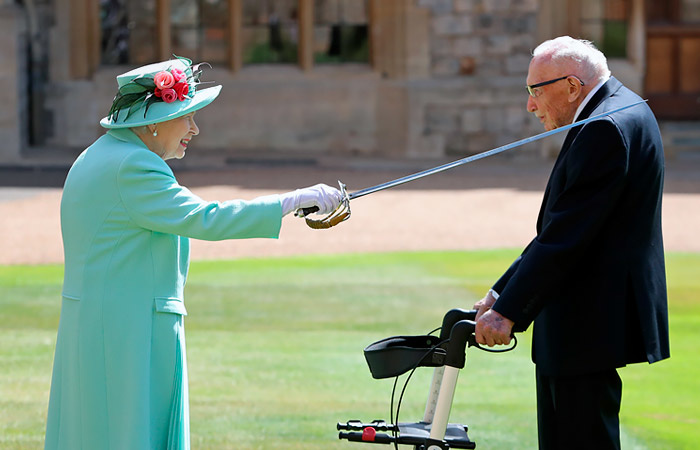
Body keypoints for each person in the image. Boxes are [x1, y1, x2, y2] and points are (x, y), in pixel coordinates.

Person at [44, 57, 343, 450]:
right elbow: (206, 219)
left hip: (99, 324)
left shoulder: (97, 154)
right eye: (186, 115)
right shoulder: (134, 165)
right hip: (128, 331)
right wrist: (294, 200)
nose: (194, 128)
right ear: (153, 120)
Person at [473, 37, 670, 449]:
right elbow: (560, 228)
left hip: (586, 319)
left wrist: (507, 312)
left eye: (535, 91)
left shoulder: (603, 128)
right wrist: (500, 292)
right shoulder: (621, 107)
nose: (530, 105)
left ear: (572, 86)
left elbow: (566, 238)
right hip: (588, 316)